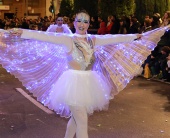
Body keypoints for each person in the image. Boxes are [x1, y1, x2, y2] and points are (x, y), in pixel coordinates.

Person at [0, 10, 169, 138]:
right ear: (73, 22)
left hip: (89, 84)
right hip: (72, 84)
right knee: (82, 121)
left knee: (75, 120)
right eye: (79, 20)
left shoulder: (93, 40)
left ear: (89, 24)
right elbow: (43, 36)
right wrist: (22, 32)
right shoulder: (67, 39)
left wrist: (135, 37)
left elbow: (115, 38)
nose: (82, 24)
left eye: (86, 21)